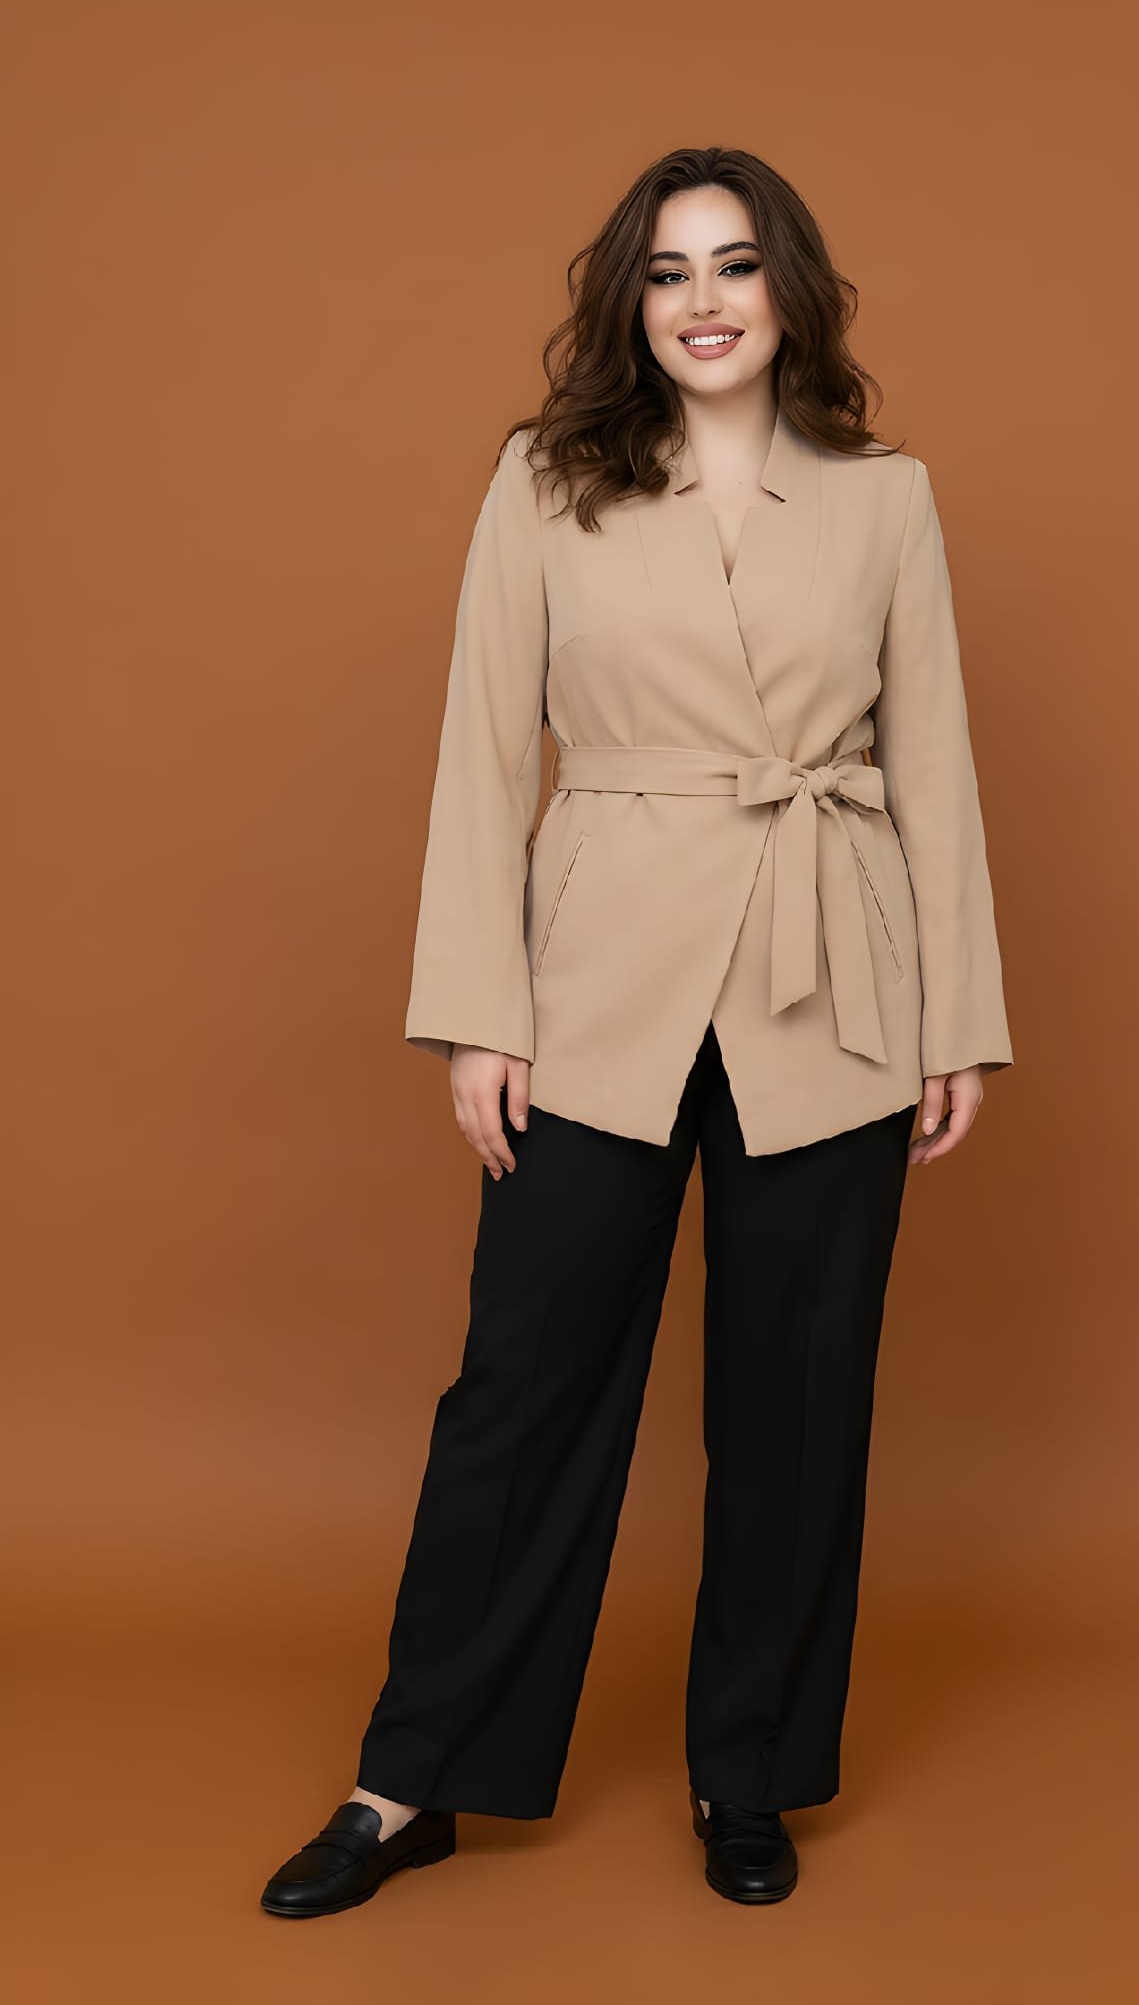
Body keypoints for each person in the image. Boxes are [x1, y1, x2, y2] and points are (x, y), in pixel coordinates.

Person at [260, 143, 1013, 1919]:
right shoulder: (545, 481)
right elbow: (480, 752)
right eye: (667, 272)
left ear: (788, 291)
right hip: (596, 976)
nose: (702, 302)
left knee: (795, 1397)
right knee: (521, 1387)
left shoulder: (884, 500)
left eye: (733, 265)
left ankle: (747, 1770)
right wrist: (477, 1015)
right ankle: (410, 1780)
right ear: (630, 302)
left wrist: (955, 1021)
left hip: (834, 977)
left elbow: (933, 766)